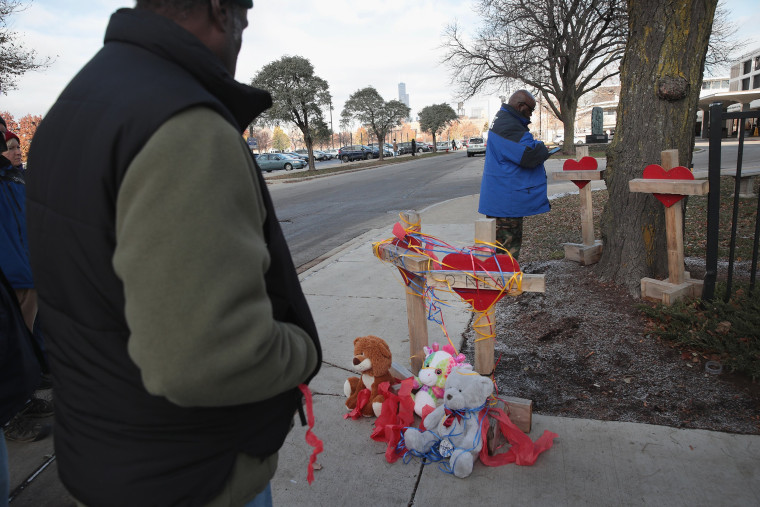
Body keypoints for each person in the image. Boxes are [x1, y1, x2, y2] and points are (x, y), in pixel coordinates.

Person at [25, 1, 322, 506]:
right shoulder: (185, 126)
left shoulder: (73, 106)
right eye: (245, 20)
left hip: (109, 457)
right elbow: (207, 359)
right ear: (218, 10)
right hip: (194, 474)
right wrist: (304, 351)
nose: (242, 39)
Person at [0, 128, 53, 443]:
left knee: (29, 335)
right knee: (12, 342)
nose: (16, 152)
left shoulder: (18, 179)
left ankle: (29, 389)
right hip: (12, 275)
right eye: (9, 147)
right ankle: (11, 413)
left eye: (17, 146)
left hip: (29, 270)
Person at [477, 90, 551, 260]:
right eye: (530, 110)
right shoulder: (508, 127)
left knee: (505, 251)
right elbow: (529, 155)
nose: (531, 115)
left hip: (502, 200)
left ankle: (507, 282)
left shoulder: (504, 121)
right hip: (504, 203)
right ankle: (506, 285)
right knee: (506, 253)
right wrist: (541, 146)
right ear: (520, 106)